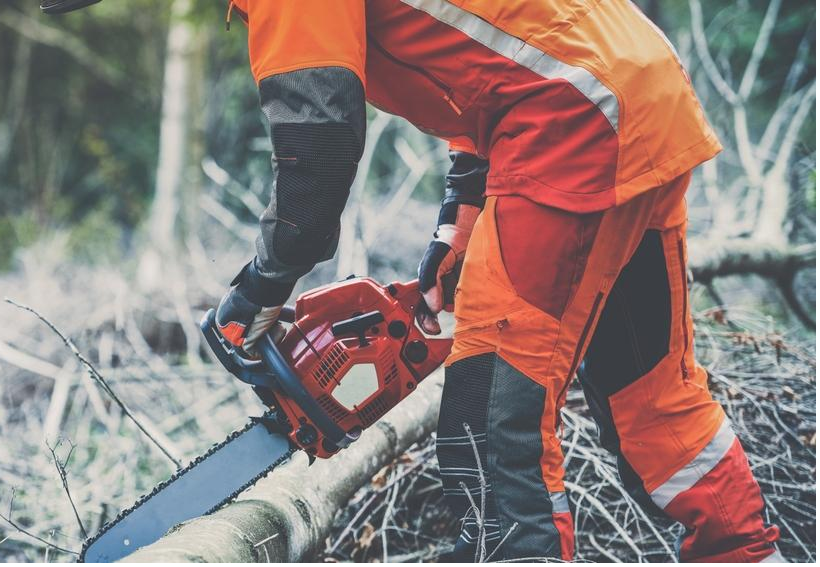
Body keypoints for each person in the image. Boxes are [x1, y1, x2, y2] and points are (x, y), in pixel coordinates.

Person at [210, 1, 782, 562]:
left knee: (489, 418)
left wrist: (262, 286)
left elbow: (318, 152)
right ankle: (744, 552)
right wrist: (460, 216)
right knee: (649, 395)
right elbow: (499, 46)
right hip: (637, 86)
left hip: (571, 117)